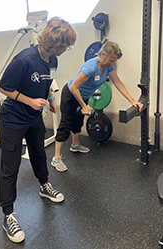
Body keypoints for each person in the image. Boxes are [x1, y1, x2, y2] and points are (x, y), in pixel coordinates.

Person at [0, 17, 77, 243]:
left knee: (39, 155)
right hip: (12, 120)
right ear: (53, 43)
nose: (65, 50)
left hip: (33, 118)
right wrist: (29, 101)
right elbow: (3, 87)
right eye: (64, 46)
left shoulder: (52, 59)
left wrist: (50, 98)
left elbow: (48, 82)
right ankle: (8, 215)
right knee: (10, 168)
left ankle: (44, 186)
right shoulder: (23, 60)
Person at [51, 38, 143, 172]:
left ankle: (75, 145)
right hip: (71, 94)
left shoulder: (108, 66)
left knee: (78, 123)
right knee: (65, 124)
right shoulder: (91, 67)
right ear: (103, 54)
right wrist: (83, 105)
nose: (112, 64)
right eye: (111, 60)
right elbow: (75, 87)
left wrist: (132, 100)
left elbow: (118, 83)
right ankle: (56, 157)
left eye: (114, 61)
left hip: (83, 95)